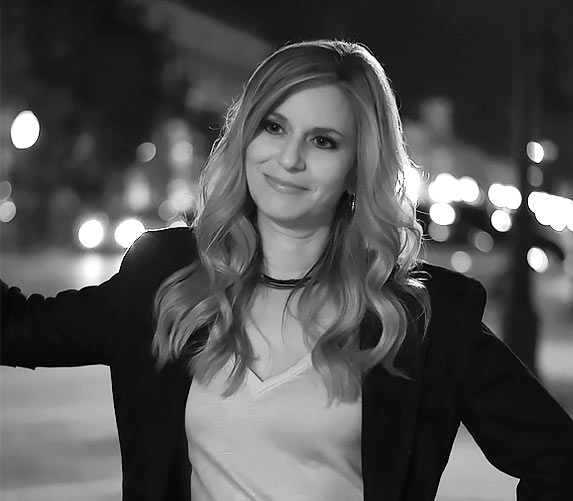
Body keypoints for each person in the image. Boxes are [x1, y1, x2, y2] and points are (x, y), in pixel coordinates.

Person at [2, 39, 573, 501]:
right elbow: (17, 328)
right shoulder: (167, 278)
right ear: (246, 135)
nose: (289, 158)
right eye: (273, 127)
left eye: (322, 141)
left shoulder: (422, 321)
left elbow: (558, 462)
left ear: (357, 167)